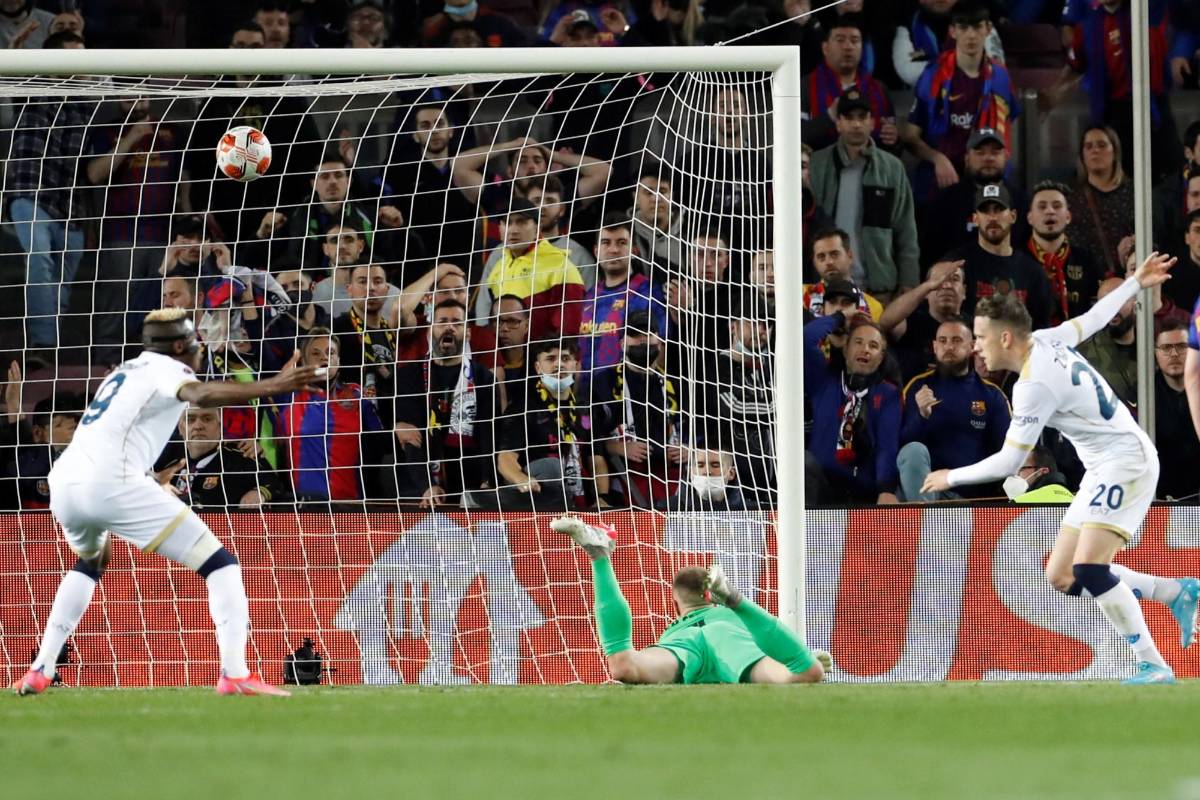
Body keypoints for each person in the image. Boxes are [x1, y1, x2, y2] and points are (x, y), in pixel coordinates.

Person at [11, 307, 323, 696]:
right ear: (180, 345)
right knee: (221, 564)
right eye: (195, 341)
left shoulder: (126, 370)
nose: (199, 349)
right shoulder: (169, 369)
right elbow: (202, 394)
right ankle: (236, 673)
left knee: (92, 561)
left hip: (65, 484)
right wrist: (275, 385)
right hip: (112, 484)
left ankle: (41, 667)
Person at [921, 252, 1200, 684]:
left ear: (1007, 338)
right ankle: (1173, 591)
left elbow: (1010, 462)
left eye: (980, 336)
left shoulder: (1034, 384)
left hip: (1125, 463)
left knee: (1091, 568)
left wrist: (949, 477)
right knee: (1063, 575)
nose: (976, 345)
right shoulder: (1047, 339)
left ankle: (1153, 664)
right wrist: (1135, 283)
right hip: (1103, 466)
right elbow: (1093, 318)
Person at [550, 516, 828, 685]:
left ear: (675, 603)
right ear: (711, 597)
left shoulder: (674, 630)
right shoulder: (732, 622)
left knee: (624, 664)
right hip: (728, 639)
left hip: (681, 644)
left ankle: (599, 555)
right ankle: (737, 600)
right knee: (805, 672)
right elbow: (776, 647)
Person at [808, 91, 919, 299]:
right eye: (849, 118)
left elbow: (906, 229)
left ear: (872, 122)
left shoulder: (892, 168)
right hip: (825, 286)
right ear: (838, 123)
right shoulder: (818, 163)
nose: (856, 124)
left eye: (862, 117)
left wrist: (909, 280)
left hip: (878, 288)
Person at [903, 1, 1020, 197]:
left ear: (988, 29)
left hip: (988, 182)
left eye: (976, 27)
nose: (971, 35)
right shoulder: (933, 76)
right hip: (941, 181)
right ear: (953, 31)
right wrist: (937, 158)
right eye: (963, 28)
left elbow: (1006, 130)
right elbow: (910, 137)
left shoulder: (1001, 77)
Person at [391, 299, 498, 508]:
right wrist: (426, 486)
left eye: (457, 323)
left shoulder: (484, 378)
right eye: (442, 322)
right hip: (422, 487)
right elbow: (410, 437)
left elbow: (489, 433)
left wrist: (488, 481)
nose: (449, 327)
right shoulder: (408, 376)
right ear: (430, 332)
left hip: (471, 483)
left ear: (467, 334)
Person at [897, 318, 1010, 501]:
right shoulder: (917, 387)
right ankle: (926, 520)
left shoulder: (992, 395)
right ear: (934, 347)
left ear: (972, 346)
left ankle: (925, 523)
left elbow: (1006, 452)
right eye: (943, 341)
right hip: (919, 492)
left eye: (956, 340)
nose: (949, 347)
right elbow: (902, 449)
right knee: (913, 450)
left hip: (966, 497)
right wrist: (921, 416)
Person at [494, 338, 607, 511]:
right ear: (538, 368)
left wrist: (601, 498)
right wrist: (521, 479)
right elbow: (505, 458)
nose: (559, 365)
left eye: (565, 358)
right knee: (551, 467)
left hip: (580, 500)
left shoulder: (586, 408)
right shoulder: (523, 407)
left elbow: (596, 459)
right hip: (536, 498)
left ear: (576, 366)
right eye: (550, 359)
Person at [274, 328, 385, 504]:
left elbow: (381, 444)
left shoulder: (356, 395)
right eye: (316, 353)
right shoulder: (288, 396)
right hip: (303, 507)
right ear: (303, 361)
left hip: (352, 506)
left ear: (339, 360)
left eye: (330, 352)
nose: (324, 358)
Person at [804, 312, 900, 505]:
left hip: (861, 492)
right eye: (858, 342)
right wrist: (840, 318)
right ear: (846, 349)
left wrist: (885, 489)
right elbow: (806, 338)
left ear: (881, 358)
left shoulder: (888, 394)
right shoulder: (823, 381)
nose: (865, 349)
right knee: (803, 461)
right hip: (821, 487)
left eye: (873, 346)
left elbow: (886, 446)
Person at [590, 310, 683, 509]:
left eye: (649, 334)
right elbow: (591, 440)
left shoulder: (674, 385)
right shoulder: (602, 382)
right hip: (622, 476)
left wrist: (687, 450)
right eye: (636, 335)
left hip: (671, 478)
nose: (643, 341)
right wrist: (618, 447)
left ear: (659, 342)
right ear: (623, 343)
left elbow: (693, 430)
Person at [950, 183, 1053, 330]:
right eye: (985, 211)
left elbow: (1042, 328)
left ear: (1013, 216)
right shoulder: (959, 264)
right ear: (975, 219)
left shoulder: (1033, 272)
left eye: (998, 210)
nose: (992, 217)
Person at [920, 127, 1026, 268]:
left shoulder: (1023, 202)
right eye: (980, 152)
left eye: (995, 152)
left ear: (1006, 156)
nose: (988, 158)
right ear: (967, 158)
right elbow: (929, 255)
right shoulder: (943, 203)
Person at [484, 197, 585, 342]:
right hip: (505, 360)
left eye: (521, 222)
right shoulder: (497, 269)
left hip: (542, 360)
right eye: (507, 222)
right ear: (499, 229)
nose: (513, 230)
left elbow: (569, 331)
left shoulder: (560, 266)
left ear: (537, 228)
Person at [579, 215, 664, 374]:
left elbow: (660, 350)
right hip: (586, 395)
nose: (613, 250)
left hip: (625, 394)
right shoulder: (589, 296)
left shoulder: (648, 293)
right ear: (596, 251)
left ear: (633, 250)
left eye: (621, 242)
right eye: (606, 243)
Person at [801, 14, 898, 153]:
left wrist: (894, 140)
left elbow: (894, 152)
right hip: (820, 170)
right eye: (840, 40)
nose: (848, 47)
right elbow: (792, 138)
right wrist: (829, 117)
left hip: (871, 170)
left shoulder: (879, 89)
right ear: (825, 48)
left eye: (855, 40)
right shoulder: (804, 87)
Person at [156, 405, 278, 508]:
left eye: (207, 419)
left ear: (220, 426)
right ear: (180, 428)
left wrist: (259, 492)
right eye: (190, 419)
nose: (198, 426)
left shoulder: (243, 459)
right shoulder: (167, 463)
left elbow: (276, 485)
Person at [1025, 180, 1104, 326]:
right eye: (1042, 207)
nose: (1050, 211)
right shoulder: (1018, 260)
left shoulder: (1087, 261)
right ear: (1030, 218)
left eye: (1057, 206)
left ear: (1068, 217)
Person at [880, 259, 968, 382]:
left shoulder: (974, 327)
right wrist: (928, 286)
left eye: (954, 279)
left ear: (964, 291)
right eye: (939, 279)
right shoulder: (911, 321)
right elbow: (884, 323)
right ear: (926, 291)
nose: (946, 285)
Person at [1065, 125, 1135, 276]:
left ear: (1115, 151)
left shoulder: (1135, 193)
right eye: (1088, 146)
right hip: (1082, 278)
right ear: (1082, 155)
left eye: (1102, 145)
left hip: (1127, 277)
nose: (1095, 150)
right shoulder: (1070, 196)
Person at [1154, 319, 1200, 501]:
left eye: (1182, 346)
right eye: (1166, 348)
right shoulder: (1144, 394)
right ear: (1155, 353)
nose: (1174, 354)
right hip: (1161, 496)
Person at [1076, 277, 1138, 409]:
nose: (1111, 310)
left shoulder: (1153, 348)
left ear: (1135, 302)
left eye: (1118, 301)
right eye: (1104, 304)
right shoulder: (1081, 355)